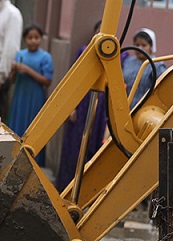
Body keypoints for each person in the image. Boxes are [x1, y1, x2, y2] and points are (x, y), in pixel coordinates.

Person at [56, 20, 125, 192]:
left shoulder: (118, 57)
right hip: (81, 103)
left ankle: (87, 191)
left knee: (94, 149)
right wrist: (71, 107)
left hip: (102, 106)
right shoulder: (83, 52)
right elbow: (73, 82)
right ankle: (66, 189)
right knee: (74, 147)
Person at [7, 24, 53, 167]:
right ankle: (15, 160)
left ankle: (33, 162)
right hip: (20, 97)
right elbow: (12, 81)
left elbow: (47, 81)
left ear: (41, 39)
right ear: (25, 39)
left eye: (36, 37)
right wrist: (13, 70)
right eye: (30, 38)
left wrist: (28, 70)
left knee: (33, 127)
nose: (33, 41)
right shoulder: (20, 55)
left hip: (35, 98)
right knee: (18, 125)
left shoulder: (45, 57)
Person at [123, 28, 166, 110]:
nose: (140, 48)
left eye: (144, 45)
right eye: (137, 45)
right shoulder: (128, 62)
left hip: (145, 110)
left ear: (151, 46)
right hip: (125, 109)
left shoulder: (157, 65)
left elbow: (162, 89)